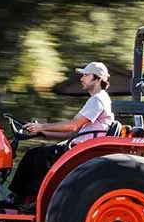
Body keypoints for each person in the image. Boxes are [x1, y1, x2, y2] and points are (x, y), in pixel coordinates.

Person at [7, 61, 114, 205]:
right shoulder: (97, 99)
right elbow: (75, 131)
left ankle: (28, 201)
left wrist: (42, 126)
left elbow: (72, 125)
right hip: (78, 145)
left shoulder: (98, 100)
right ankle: (21, 199)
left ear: (98, 79)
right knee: (34, 154)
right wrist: (42, 132)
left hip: (80, 150)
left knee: (38, 156)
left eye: (86, 75)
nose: (81, 78)